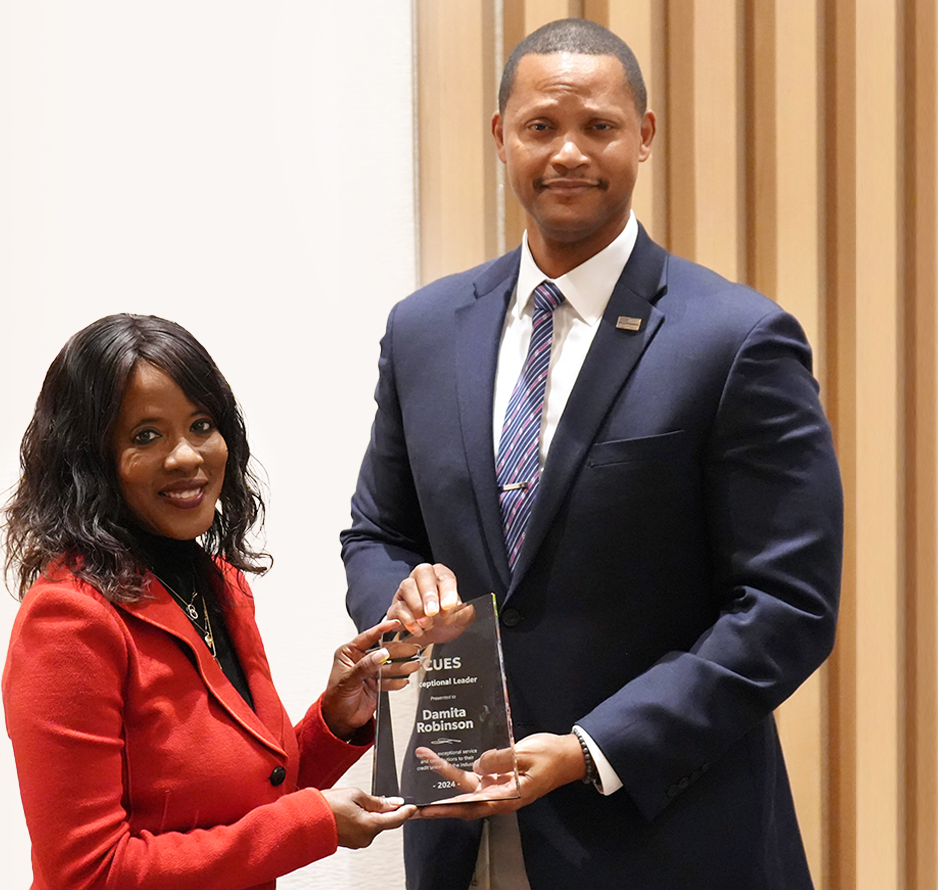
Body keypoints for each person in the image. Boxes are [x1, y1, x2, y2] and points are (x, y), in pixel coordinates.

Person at [342, 17, 842, 890]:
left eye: (598, 127)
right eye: (541, 127)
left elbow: (785, 606)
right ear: (500, 136)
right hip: (458, 829)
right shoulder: (420, 331)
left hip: (663, 838)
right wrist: (402, 594)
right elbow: (376, 531)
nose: (568, 152)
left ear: (644, 136)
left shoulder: (736, 340)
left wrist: (589, 750)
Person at [0, 313, 416, 890]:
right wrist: (314, 824)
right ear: (88, 459)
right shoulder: (68, 620)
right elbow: (90, 874)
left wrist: (336, 721)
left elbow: (251, 794)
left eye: (201, 424)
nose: (187, 456)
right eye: (146, 436)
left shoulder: (220, 583)